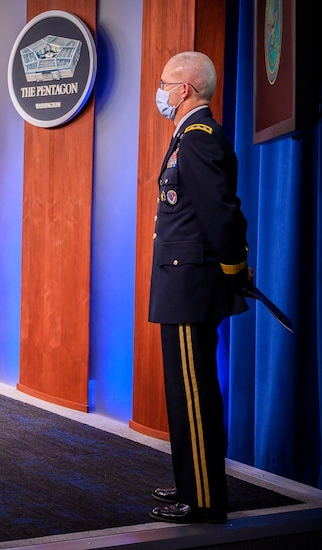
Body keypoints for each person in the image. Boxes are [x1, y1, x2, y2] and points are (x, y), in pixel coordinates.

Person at [148, 51, 251, 524]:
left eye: (166, 82)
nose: (161, 90)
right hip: (181, 285)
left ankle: (206, 498)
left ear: (184, 89)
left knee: (194, 394)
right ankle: (192, 482)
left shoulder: (199, 138)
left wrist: (235, 269)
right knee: (182, 392)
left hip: (192, 287)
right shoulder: (188, 137)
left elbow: (220, 213)